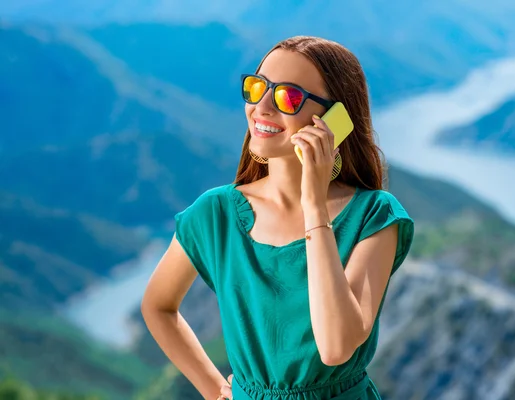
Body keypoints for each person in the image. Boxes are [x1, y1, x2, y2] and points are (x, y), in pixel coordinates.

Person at [141, 36, 414, 400]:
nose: (262, 107)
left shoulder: (374, 216)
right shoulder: (215, 213)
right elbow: (158, 307)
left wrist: (314, 205)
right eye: (257, 88)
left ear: (335, 119)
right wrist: (213, 389)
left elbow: (336, 346)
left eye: (288, 96)